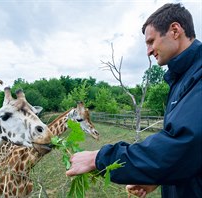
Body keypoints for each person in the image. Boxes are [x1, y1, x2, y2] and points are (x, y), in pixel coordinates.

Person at [66, 3, 202, 198]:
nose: (148, 51)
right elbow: (190, 160)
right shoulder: (182, 78)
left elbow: (184, 144)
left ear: (175, 30)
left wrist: (98, 159)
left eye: (151, 41)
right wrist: (156, 178)